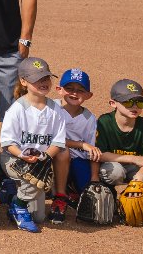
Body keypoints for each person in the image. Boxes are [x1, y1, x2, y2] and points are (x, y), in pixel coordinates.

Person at [0, 57, 68, 233]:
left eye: (46, 78)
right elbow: (7, 144)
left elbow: (58, 142)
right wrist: (23, 156)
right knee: (31, 182)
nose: (43, 82)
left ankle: (11, 193)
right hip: (14, 158)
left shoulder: (56, 109)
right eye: (37, 79)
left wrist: (45, 157)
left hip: (40, 160)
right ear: (23, 81)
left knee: (38, 216)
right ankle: (17, 205)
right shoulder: (16, 109)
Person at [95, 80, 143, 194]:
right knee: (115, 172)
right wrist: (134, 158)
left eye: (140, 102)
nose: (135, 106)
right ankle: (109, 192)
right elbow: (100, 155)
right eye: (128, 102)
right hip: (112, 164)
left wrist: (137, 180)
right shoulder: (105, 122)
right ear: (113, 103)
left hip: (135, 168)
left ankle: (130, 199)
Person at [53, 68, 95, 223]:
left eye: (80, 90)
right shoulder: (51, 108)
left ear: (88, 95)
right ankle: (60, 195)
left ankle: (72, 190)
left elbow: (92, 148)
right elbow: (50, 139)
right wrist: (81, 144)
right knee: (62, 153)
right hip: (54, 157)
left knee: (87, 187)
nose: (74, 93)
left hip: (78, 161)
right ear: (59, 90)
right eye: (69, 88)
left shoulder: (90, 118)